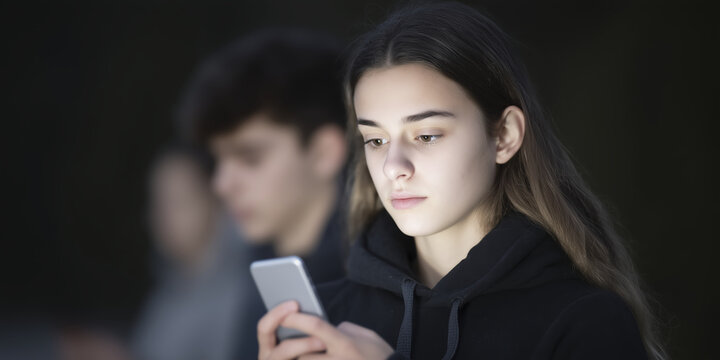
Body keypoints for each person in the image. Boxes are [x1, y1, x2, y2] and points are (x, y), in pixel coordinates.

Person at [257, 2, 666, 360]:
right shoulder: (327, 321)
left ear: (504, 135)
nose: (393, 166)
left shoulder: (583, 322)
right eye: (376, 139)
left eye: (427, 135)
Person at [177, 29, 349, 358]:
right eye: (218, 159)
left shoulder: (387, 286)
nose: (222, 184)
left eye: (250, 158)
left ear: (324, 152)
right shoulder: (257, 267)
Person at [132, 144, 247, 360]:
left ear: (215, 201)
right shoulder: (169, 287)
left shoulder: (243, 293)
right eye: (158, 202)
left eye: (179, 201)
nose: (163, 217)